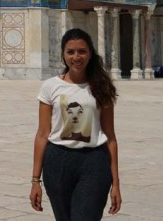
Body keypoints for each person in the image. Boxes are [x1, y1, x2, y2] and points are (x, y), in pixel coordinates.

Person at [30, 28, 121, 220]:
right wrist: (35, 180)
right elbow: (42, 134)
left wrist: (116, 183)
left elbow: (110, 137)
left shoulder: (101, 87)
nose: (76, 57)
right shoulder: (50, 87)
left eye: (82, 51)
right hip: (57, 162)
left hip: (94, 162)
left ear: (90, 54)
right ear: (63, 55)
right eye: (70, 52)